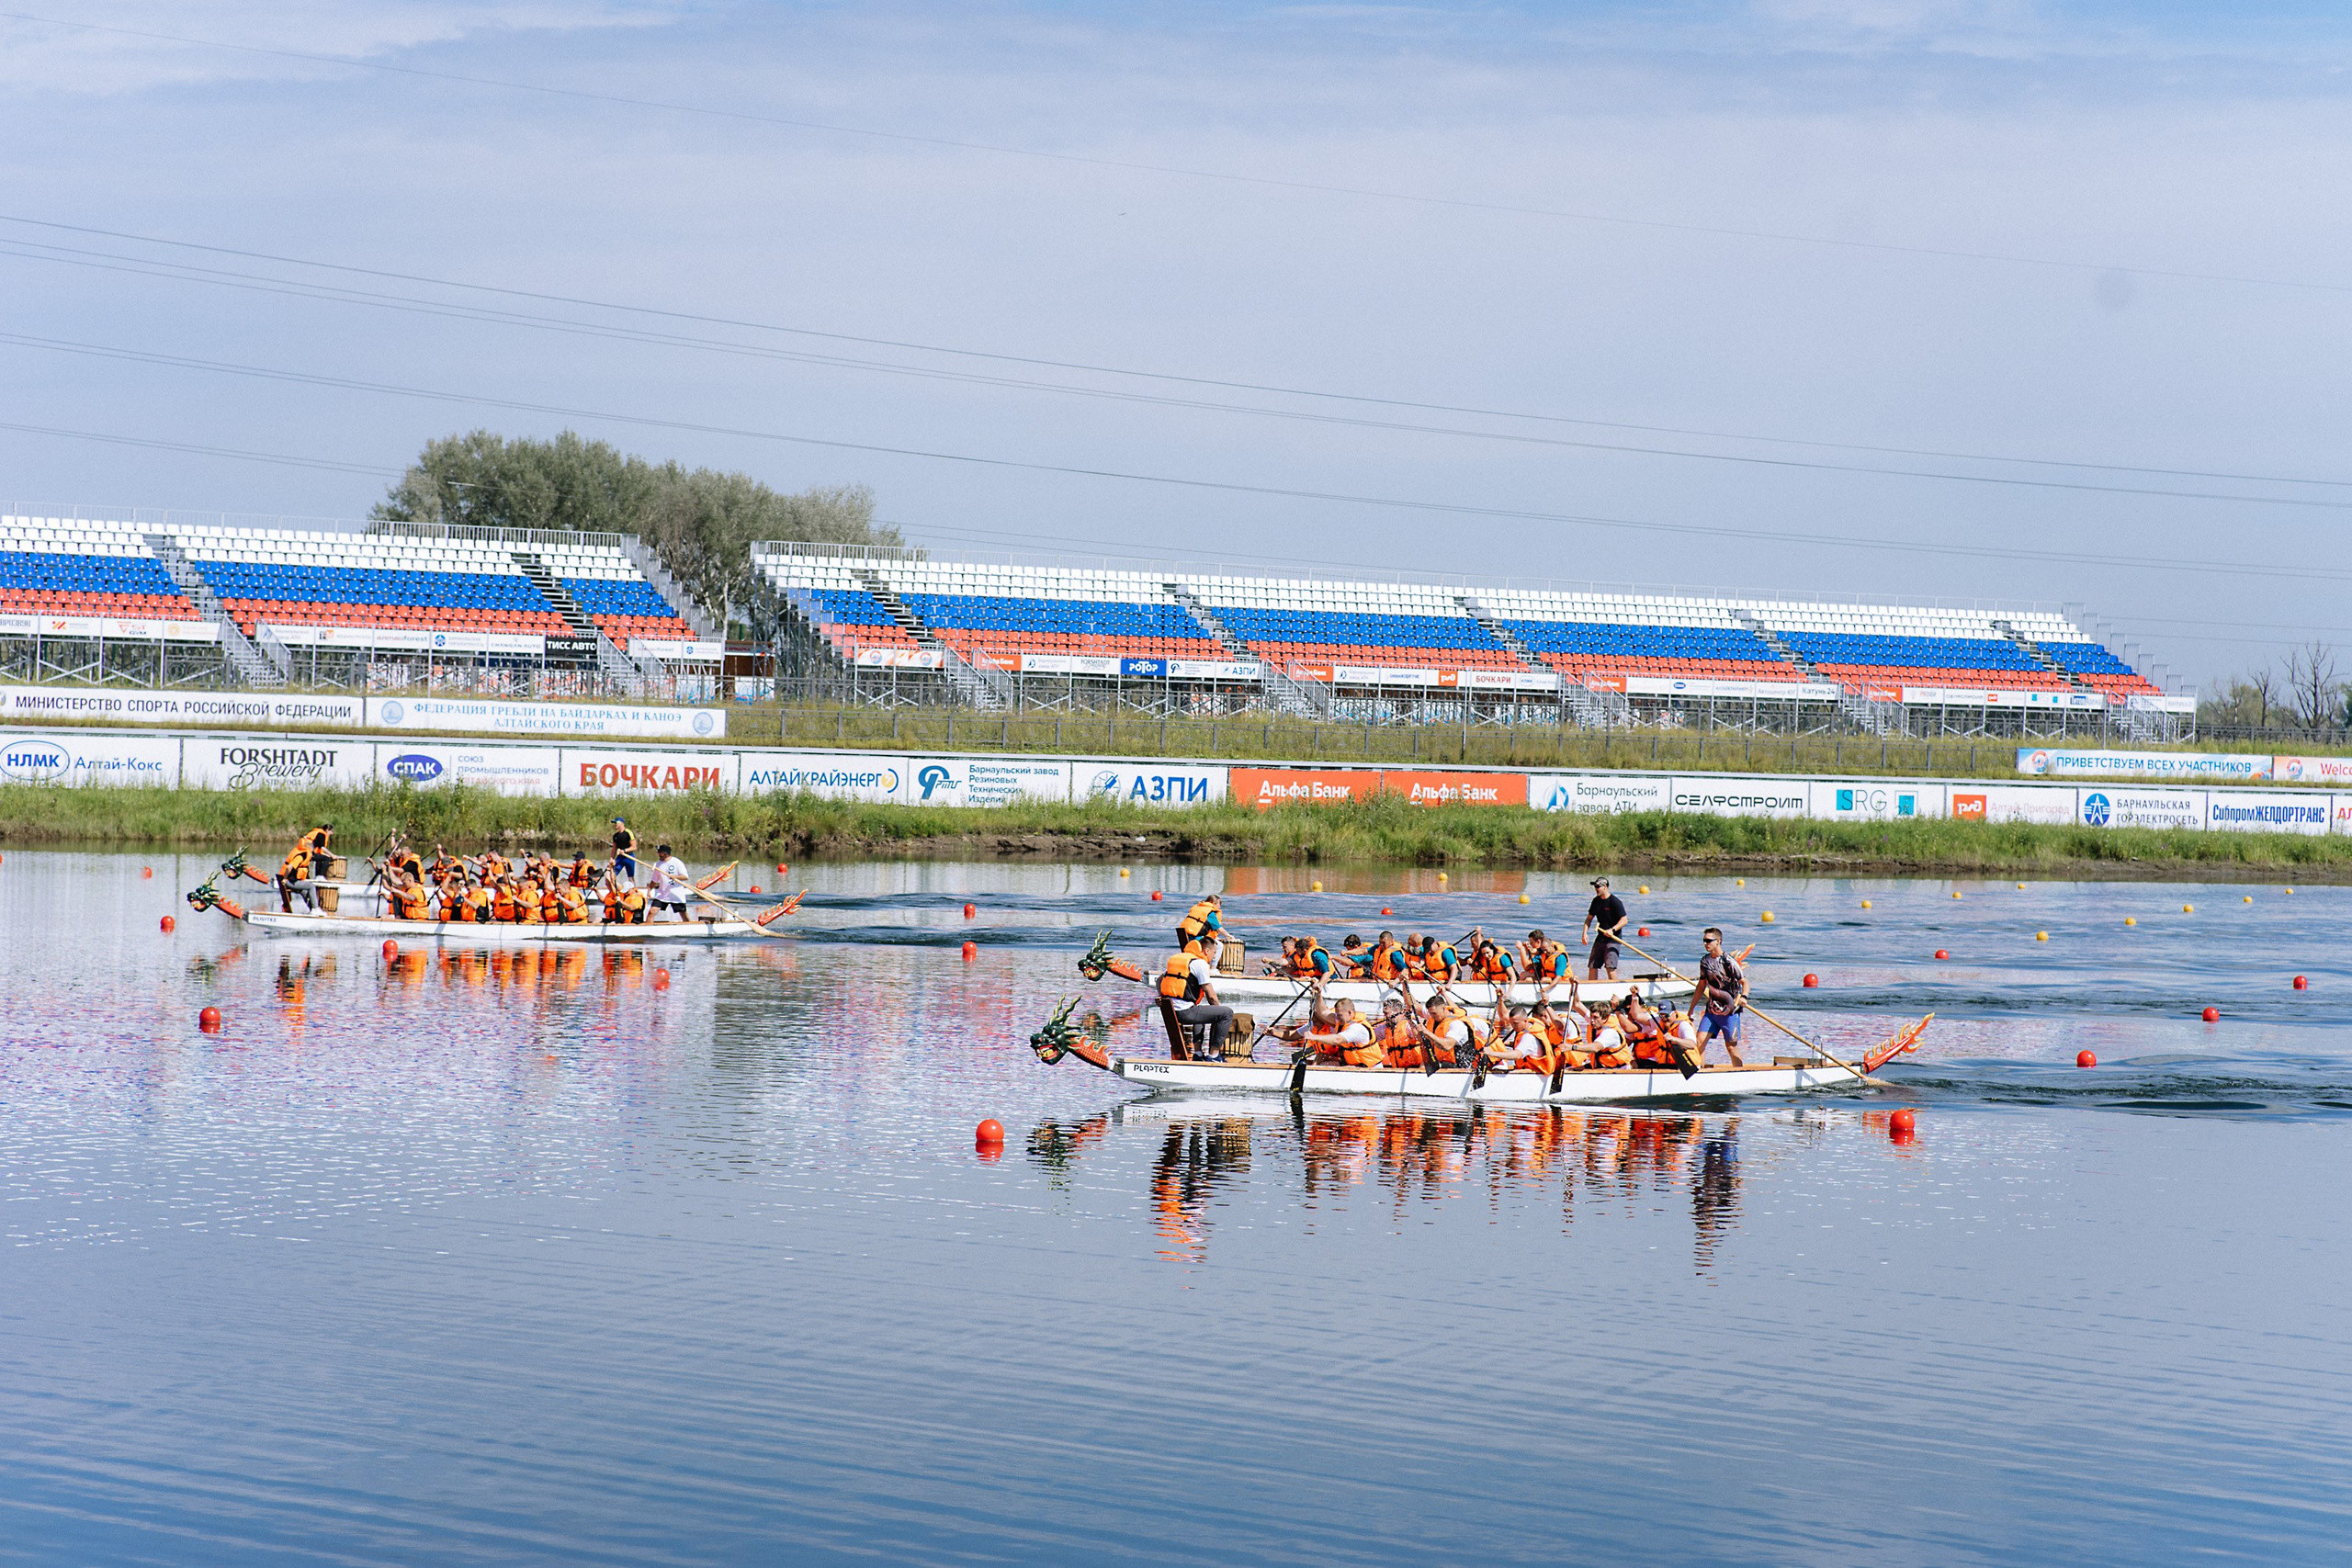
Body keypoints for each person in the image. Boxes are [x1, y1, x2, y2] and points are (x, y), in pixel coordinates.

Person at [1157, 935, 1236, 1059]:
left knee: (1199, 1010)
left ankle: (1198, 1053)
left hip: (1170, 1011)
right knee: (1226, 1013)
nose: (1214, 957)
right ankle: (1214, 1056)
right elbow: (1210, 994)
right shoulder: (1200, 963)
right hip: (1184, 1013)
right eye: (1214, 953)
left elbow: (1159, 980)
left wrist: (1161, 996)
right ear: (1207, 951)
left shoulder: (1179, 959)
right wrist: (1218, 1012)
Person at [1694, 926, 1748, 1067]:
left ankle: (1739, 1074)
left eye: (1708, 941)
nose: (1705, 943)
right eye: (1704, 941)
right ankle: (1698, 1071)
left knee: (1731, 1047)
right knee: (1699, 1041)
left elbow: (1745, 982)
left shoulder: (1728, 961)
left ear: (1718, 941)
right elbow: (1701, 986)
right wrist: (1691, 1009)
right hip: (1711, 1011)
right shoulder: (1704, 961)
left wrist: (1744, 997)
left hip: (1730, 1011)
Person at [1295, 998, 1379, 1067]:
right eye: (1336, 1015)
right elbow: (1323, 1012)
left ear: (1349, 1013)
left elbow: (1337, 1039)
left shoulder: (1357, 1028)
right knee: (1322, 1062)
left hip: (1369, 1068)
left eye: (1339, 1015)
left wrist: (1313, 1037)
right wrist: (1318, 993)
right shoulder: (1342, 1021)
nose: (1337, 1018)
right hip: (1353, 1065)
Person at [1582, 877, 1630, 981]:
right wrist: (1584, 933)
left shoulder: (1615, 902)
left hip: (1614, 938)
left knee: (1610, 967)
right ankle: (1591, 989)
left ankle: (1614, 989)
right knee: (1592, 965)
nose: (1596, 889)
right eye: (1595, 887)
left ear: (1605, 887)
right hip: (1600, 937)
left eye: (1598, 886)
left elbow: (1624, 920)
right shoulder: (1596, 901)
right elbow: (1589, 919)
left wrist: (1612, 930)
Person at [647, 844, 695, 921]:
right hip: (663, 894)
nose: (658, 855)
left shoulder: (677, 862)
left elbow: (685, 877)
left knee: (683, 914)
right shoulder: (658, 864)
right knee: (652, 911)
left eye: (660, 853)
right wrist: (649, 890)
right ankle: (648, 928)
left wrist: (675, 877)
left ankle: (689, 926)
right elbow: (654, 880)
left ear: (665, 853)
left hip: (676, 894)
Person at [610, 818, 639, 885]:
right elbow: (614, 849)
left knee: (630, 877)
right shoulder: (615, 836)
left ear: (622, 823)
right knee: (613, 874)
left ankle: (634, 891)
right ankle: (616, 889)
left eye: (616, 823)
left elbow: (634, 847)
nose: (615, 825)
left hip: (629, 857)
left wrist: (624, 850)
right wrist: (611, 859)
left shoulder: (628, 833)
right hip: (620, 857)